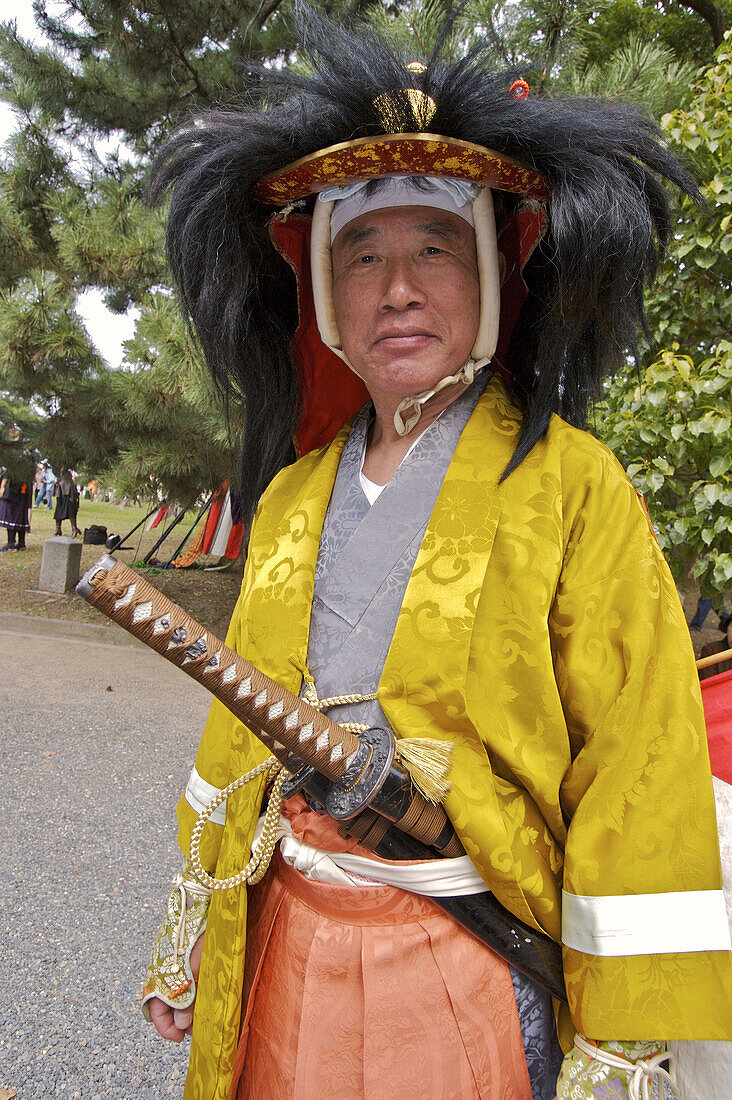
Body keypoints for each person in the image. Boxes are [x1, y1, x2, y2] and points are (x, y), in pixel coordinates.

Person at [141, 12, 732, 1100]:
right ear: (324, 295)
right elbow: (236, 725)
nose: (397, 286)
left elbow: (638, 770)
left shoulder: (575, 487)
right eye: (361, 255)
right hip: (289, 937)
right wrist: (193, 916)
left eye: (432, 249)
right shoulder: (293, 494)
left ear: (493, 278)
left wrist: (623, 1040)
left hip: (465, 948)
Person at [0, 455, 33, 551]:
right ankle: (21, 543)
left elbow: (7, 476)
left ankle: (11, 544)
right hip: (22, 493)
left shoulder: (14, 462)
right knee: (20, 518)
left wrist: (2, 487)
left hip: (14, 494)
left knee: (12, 518)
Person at [52, 469, 80, 537]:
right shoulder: (68, 481)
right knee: (60, 513)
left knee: (69, 513)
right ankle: (59, 529)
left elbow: (55, 492)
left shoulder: (62, 480)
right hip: (64, 498)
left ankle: (73, 529)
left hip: (66, 498)